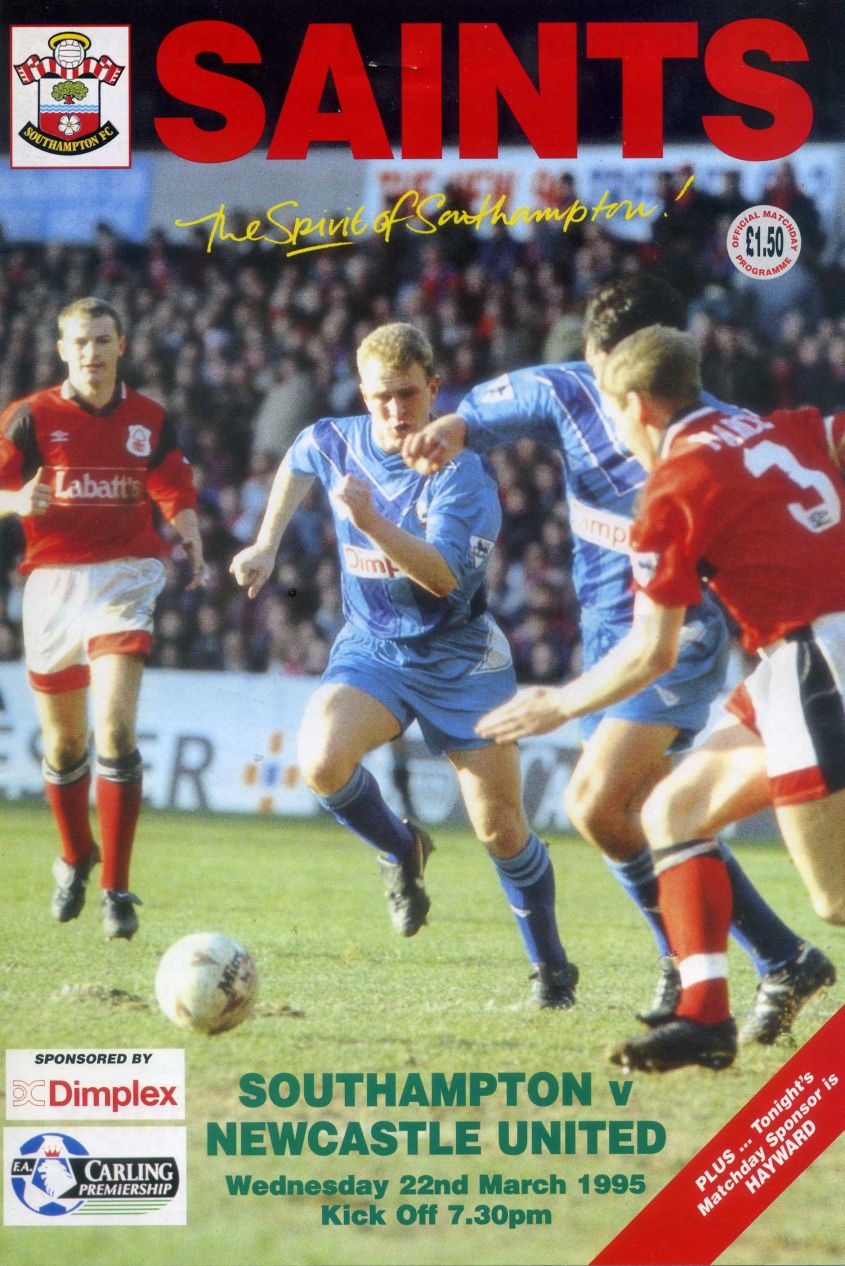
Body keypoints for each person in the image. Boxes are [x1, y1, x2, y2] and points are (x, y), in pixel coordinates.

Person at [403, 275, 833, 1044]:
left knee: (599, 803)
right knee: (665, 813)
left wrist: (557, 702)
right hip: (633, 642)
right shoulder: (692, 416)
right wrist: (453, 428)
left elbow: (653, 644)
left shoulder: (679, 472)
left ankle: (693, 964)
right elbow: (494, 406)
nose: (598, 391)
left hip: (696, 643)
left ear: (638, 384)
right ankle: (758, 972)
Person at [231, 322, 576, 1007]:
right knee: (322, 759)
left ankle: (552, 971)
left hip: (461, 658)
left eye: (408, 394)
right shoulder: (338, 441)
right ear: (363, 395)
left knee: (500, 829)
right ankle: (400, 849)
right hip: (374, 648)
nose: (395, 410)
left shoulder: (464, 474)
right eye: (380, 396)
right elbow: (298, 457)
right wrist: (266, 544)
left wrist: (370, 524)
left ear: (433, 389)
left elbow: (442, 578)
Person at [0, 297, 204, 939]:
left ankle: (117, 888)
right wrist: (14, 500)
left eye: (102, 340)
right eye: (80, 341)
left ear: (122, 346)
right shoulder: (29, 417)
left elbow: (172, 484)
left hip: (124, 574)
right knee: (65, 745)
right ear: (63, 350)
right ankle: (76, 856)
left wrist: (190, 534)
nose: (92, 352)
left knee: (114, 730)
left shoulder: (149, 417)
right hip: (52, 583)